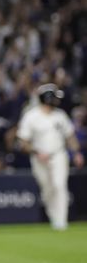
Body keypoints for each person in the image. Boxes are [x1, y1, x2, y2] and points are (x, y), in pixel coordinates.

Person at [16, 84, 84, 231]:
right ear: (46, 98)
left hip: (58, 154)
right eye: (54, 97)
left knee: (59, 185)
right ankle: (54, 217)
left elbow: (70, 136)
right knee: (47, 189)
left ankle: (61, 221)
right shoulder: (31, 116)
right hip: (39, 157)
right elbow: (23, 141)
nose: (57, 100)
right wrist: (36, 152)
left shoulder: (60, 115)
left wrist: (77, 152)